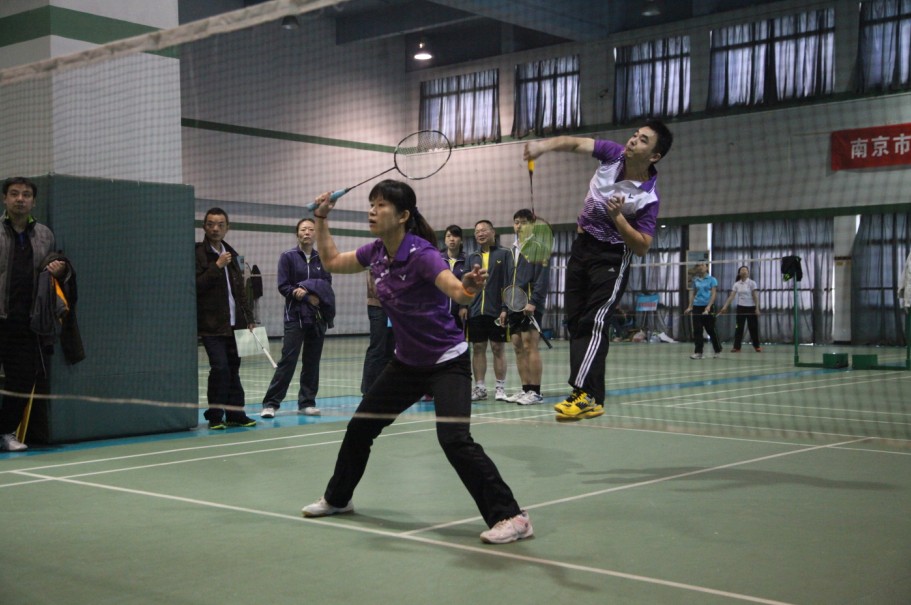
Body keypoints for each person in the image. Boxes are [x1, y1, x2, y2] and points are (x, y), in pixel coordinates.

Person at [301, 179, 533, 545]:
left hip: (446, 361)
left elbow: (456, 290)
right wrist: (321, 218)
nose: (372, 211)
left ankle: (512, 517)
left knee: (454, 440)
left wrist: (469, 287)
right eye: (371, 204)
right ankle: (338, 498)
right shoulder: (376, 252)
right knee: (360, 428)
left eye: (381, 205)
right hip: (406, 364)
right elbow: (331, 261)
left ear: (403, 215)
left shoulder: (422, 254)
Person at [523, 119, 673, 420]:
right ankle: (593, 396)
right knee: (576, 322)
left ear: (654, 156)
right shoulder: (613, 154)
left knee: (595, 321)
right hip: (581, 249)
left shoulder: (647, 197)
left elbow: (642, 246)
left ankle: (584, 394)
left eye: (643, 140)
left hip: (612, 258)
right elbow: (575, 143)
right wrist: (542, 146)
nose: (633, 140)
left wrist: (618, 218)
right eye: (635, 134)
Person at [0, 177, 68, 452]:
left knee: (22, 378)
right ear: (5, 199)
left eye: (26, 194)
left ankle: (4, 432)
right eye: (14, 194)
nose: (20, 199)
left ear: (33, 201)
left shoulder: (44, 235)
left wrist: (60, 271)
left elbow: (52, 272)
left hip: (26, 322)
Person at [261, 218, 334, 418]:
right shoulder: (288, 257)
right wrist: (299, 293)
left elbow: (327, 284)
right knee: (288, 360)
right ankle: (271, 404)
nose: (307, 232)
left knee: (312, 361)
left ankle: (307, 402)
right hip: (294, 317)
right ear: (297, 234)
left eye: (310, 229)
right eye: (303, 229)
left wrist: (313, 293)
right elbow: (283, 285)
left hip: (317, 317)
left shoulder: (322, 259)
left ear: (316, 234)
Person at [196, 207, 257, 430]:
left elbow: (240, 291)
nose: (215, 228)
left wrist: (249, 318)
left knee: (233, 369)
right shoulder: (198, 254)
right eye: (211, 224)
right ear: (204, 227)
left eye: (220, 225)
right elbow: (196, 286)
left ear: (227, 228)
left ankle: (235, 415)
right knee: (220, 368)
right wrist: (216, 266)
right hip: (211, 325)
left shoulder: (232, 254)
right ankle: (215, 416)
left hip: (235, 324)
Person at [502, 209, 550, 405]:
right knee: (518, 347)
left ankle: (536, 392)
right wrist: (504, 307)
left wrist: (534, 302)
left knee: (530, 346)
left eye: (523, 222)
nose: (519, 226)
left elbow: (542, 279)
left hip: (530, 305)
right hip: (513, 305)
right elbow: (507, 281)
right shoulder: (511, 250)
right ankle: (525, 389)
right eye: (516, 222)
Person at [466, 220, 509, 402]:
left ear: (493, 232)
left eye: (484, 230)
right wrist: (464, 306)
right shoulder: (471, 257)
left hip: (497, 311)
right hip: (476, 311)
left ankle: (500, 388)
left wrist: (505, 308)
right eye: (477, 231)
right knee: (478, 348)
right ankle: (480, 388)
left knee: (498, 348)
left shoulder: (505, 254)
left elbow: (508, 282)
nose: (480, 233)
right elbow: (466, 285)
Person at [360, 271, 395, 396]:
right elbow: (375, 287)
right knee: (377, 348)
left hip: (395, 310)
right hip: (378, 307)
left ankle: (385, 388)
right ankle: (368, 390)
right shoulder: (376, 261)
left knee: (391, 348)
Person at [719, 265, 762, 352]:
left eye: (745, 270)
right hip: (741, 308)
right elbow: (731, 296)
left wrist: (757, 308)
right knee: (739, 328)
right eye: (742, 270)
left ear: (748, 273)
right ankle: (737, 347)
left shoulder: (752, 283)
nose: (744, 271)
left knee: (753, 328)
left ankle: (757, 346)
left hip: (751, 308)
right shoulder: (736, 284)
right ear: (739, 273)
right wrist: (725, 307)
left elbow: (755, 296)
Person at [684, 262, 723, 359]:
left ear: (706, 267)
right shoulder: (695, 280)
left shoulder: (712, 279)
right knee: (697, 330)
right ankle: (698, 352)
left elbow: (713, 294)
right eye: (698, 265)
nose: (700, 267)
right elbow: (693, 294)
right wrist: (690, 306)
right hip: (697, 307)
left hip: (708, 307)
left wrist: (709, 306)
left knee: (711, 329)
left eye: (702, 265)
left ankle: (717, 350)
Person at [441, 224, 468, 331]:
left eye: (455, 236)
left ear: (461, 240)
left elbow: (467, 287)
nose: (451, 239)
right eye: (448, 236)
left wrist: (463, 306)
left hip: (458, 313)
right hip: (439, 312)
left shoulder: (467, 261)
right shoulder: (437, 260)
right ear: (445, 240)